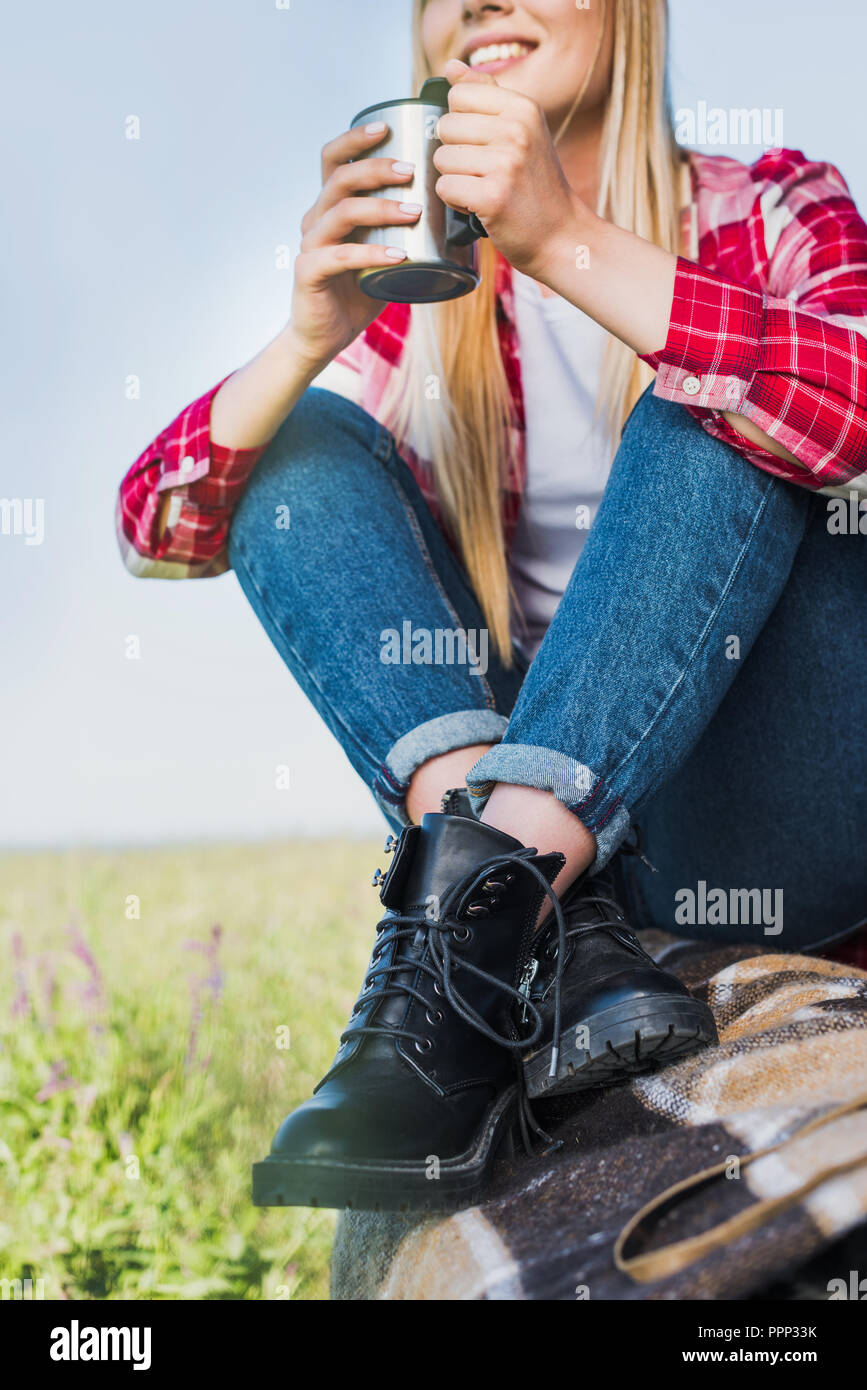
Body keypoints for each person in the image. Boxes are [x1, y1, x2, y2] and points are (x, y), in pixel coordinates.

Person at [116, 0, 867, 1213]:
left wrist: (566, 239)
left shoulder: (774, 204)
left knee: (718, 385)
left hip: (775, 804)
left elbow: (857, 397)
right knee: (288, 443)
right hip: (602, 867)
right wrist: (309, 334)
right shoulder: (427, 303)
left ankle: (474, 915)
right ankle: (510, 907)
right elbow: (158, 523)